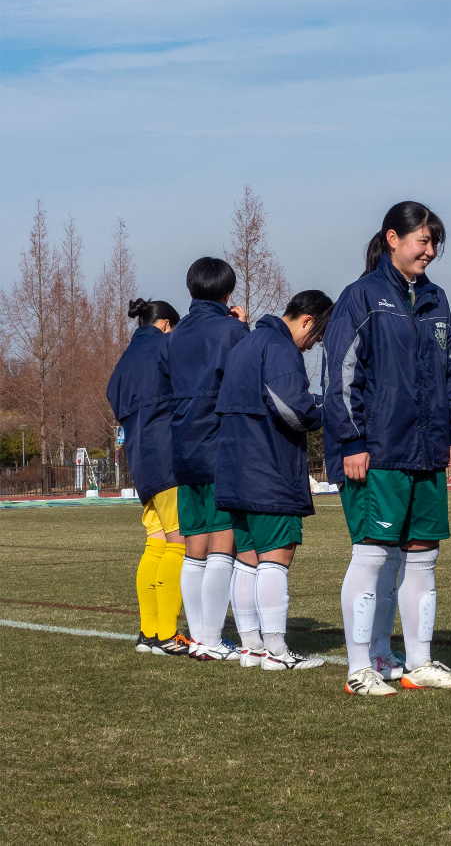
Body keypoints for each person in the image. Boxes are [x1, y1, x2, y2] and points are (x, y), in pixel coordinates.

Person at [326, 201, 451, 696]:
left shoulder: (437, 299)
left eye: (434, 243)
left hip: (429, 451)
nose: (430, 251)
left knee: (422, 558)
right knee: (371, 557)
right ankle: (359, 668)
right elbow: (342, 375)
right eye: (423, 241)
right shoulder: (361, 297)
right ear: (393, 238)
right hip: (380, 452)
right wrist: (352, 439)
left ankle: (419, 661)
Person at [215, 290, 333, 670]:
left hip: (235, 468)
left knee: (246, 559)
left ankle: (251, 647)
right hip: (268, 469)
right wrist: (326, 407)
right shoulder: (280, 349)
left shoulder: (246, 343)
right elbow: (292, 409)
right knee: (276, 557)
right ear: (307, 321)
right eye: (316, 337)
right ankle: (277, 652)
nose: (312, 346)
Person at [167, 258, 250, 661]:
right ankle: (212, 639)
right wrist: (242, 327)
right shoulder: (232, 330)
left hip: (182, 444)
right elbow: (246, 374)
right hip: (219, 443)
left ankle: (200, 636)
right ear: (227, 292)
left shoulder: (176, 334)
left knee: (193, 545)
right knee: (222, 545)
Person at [106, 297, 190, 655]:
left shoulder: (123, 363)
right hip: (168, 455)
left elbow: (114, 398)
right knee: (180, 543)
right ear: (168, 324)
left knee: (155, 542)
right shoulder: (168, 345)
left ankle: (149, 633)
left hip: (140, 461)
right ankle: (169, 635)